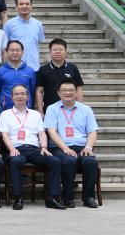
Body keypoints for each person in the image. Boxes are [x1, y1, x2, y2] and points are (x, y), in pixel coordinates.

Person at [0, 84, 64, 210]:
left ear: (28, 96)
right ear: (11, 97)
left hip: (34, 149)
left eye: (22, 93)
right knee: (15, 161)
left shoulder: (35, 114)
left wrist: (44, 147)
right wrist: (12, 149)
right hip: (16, 149)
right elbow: (5, 135)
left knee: (55, 161)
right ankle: (18, 198)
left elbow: (41, 133)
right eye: (16, 94)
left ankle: (53, 198)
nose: (20, 96)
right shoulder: (5, 114)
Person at [45, 80, 100, 208]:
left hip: (81, 147)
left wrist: (88, 147)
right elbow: (52, 132)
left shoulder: (86, 110)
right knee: (69, 160)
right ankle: (68, 198)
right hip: (59, 147)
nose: (68, 93)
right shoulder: (52, 109)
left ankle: (89, 198)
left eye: (71, 90)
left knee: (90, 161)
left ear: (76, 92)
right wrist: (65, 148)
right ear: (59, 93)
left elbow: (92, 131)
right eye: (64, 90)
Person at [36, 38, 86, 112]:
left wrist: (80, 108)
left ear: (65, 52)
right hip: (50, 110)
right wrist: (40, 111)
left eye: (60, 49)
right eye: (55, 49)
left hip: (71, 109)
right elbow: (39, 91)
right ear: (50, 52)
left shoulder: (72, 68)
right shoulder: (43, 69)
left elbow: (78, 89)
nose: (58, 52)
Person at [3, 0, 45, 71]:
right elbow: (5, 45)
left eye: (27, 4)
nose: (24, 6)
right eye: (21, 4)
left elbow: (39, 41)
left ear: (31, 7)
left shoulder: (38, 24)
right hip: (14, 67)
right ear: (16, 7)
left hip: (34, 66)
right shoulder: (9, 24)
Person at [0, 40, 37, 112]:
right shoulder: (0, 71)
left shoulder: (30, 71)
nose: (15, 52)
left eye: (18, 50)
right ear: (7, 52)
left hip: (26, 109)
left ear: (22, 52)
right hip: (6, 109)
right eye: (12, 50)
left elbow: (32, 90)